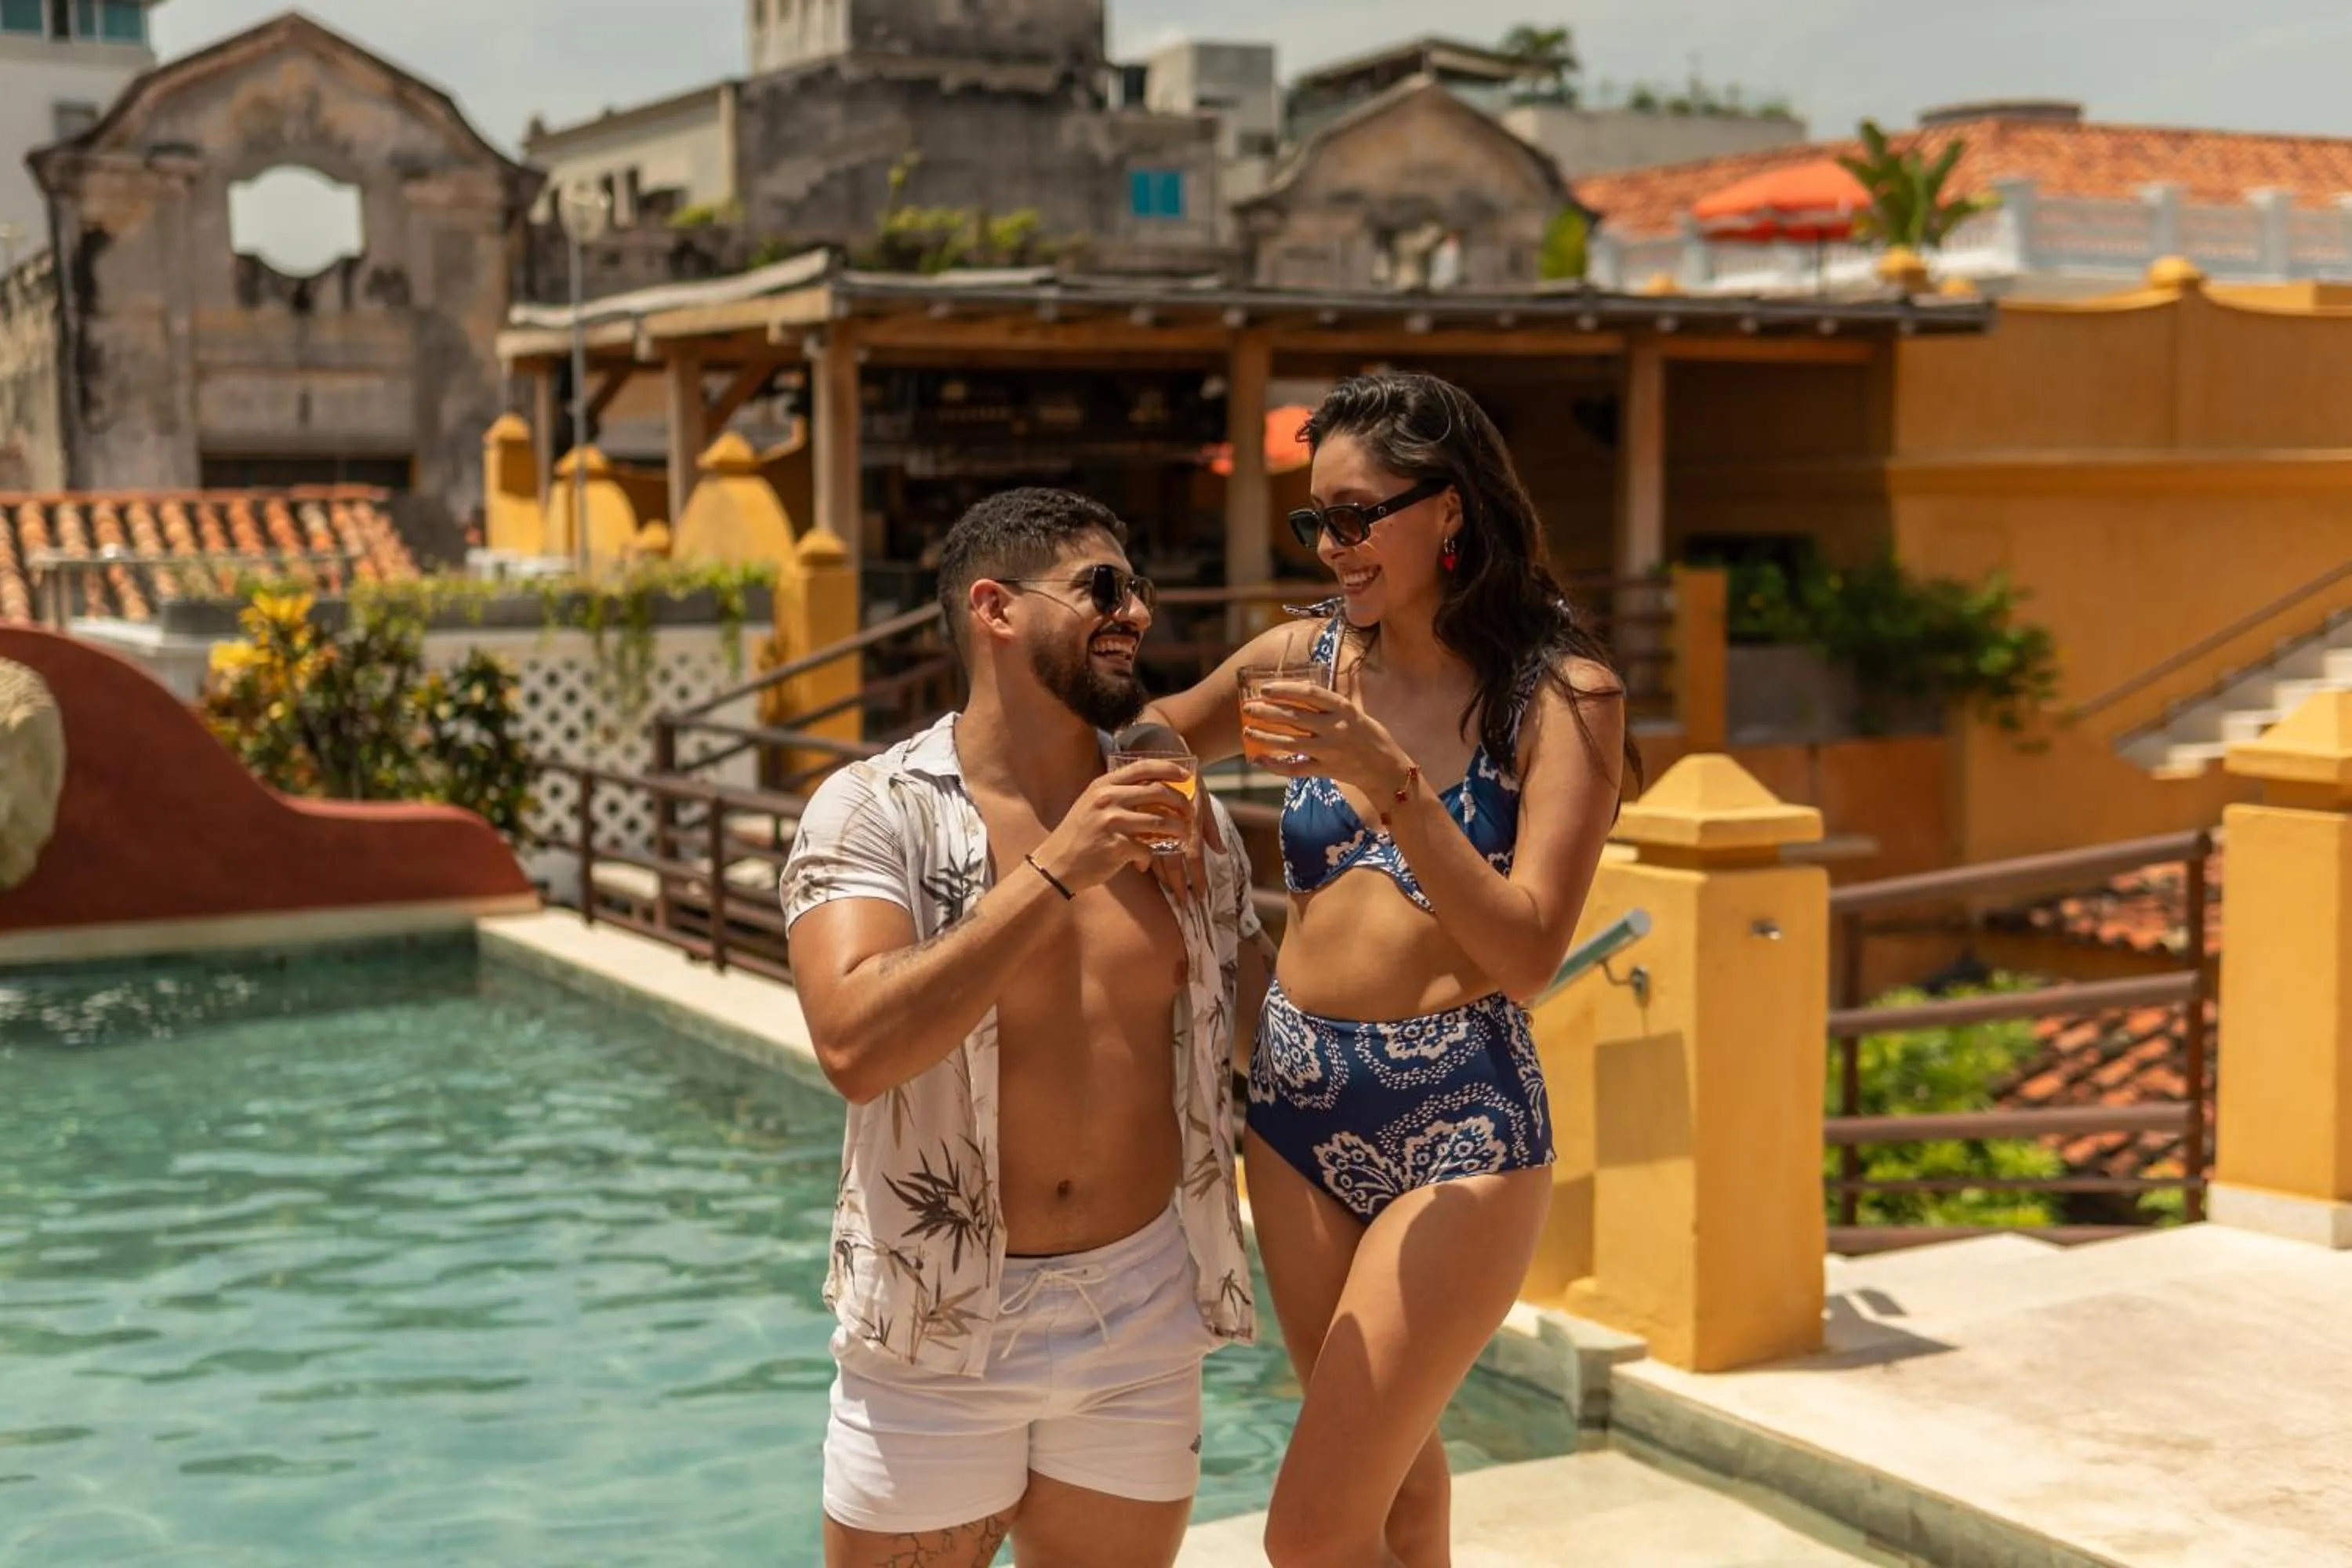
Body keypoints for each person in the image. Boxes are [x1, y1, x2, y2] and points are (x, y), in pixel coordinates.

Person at [1143, 372, 1635, 1567]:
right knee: (1396, 1495)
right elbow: (1148, 739)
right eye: (1318, 521)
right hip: (1300, 1108)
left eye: (1358, 517)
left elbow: (1525, 952)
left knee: (1309, 1534)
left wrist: (1394, 784)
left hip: (1462, 1122)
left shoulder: (1560, 699)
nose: (1333, 549)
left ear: (1451, 511)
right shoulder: (1303, 656)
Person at [780, 488, 1269, 1568]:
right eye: (1101, 586)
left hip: (1142, 1314)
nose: (1133, 611)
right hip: (939, 1328)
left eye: (1136, 588)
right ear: (994, 608)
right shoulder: (875, 810)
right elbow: (854, 1048)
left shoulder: (1179, 814)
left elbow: (1265, 1044)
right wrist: (1057, 872)